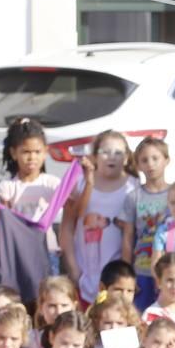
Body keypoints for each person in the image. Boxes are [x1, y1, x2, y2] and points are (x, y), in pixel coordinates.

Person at [59, 130, 137, 305]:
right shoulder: (80, 183)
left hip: (117, 277)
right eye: (105, 152)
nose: (112, 157)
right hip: (84, 272)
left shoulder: (134, 187)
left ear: (126, 158)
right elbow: (67, 227)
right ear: (94, 156)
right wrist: (72, 267)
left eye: (118, 153)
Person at [0, 117, 63, 277]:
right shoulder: (8, 187)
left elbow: (71, 203)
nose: (32, 157)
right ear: (14, 153)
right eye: (26, 152)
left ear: (45, 152)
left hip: (47, 249)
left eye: (37, 152)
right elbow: (5, 221)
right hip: (19, 251)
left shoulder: (52, 184)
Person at [124, 137, 173, 309]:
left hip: (172, 271)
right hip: (142, 270)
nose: (150, 164)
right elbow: (128, 236)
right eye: (144, 160)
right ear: (138, 164)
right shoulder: (134, 196)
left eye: (155, 158)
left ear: (166, 160)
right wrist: (127, 275)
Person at [31, 276, 79, 348]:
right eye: (52, 306)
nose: (59, 312)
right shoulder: (30, 341)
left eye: (64, 305)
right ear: (40, 307)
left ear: (74, 307)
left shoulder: (81, 338)